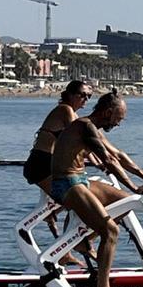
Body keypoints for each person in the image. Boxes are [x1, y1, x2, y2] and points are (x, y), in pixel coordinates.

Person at [49, 91, 143, 287]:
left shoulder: (93, 127)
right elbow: (108, 160)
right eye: (118, 118)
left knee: (124, 202)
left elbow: (117, 154)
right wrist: (134, 186)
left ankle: (83, 239)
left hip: (80, 179)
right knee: (111, 231)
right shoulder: (84, 126)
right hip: (66, 183)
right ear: (108, 112)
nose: (119, 123)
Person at [22, 80, 94, 266]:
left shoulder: (73, 114)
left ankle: (62, 243)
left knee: (69, 203)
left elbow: (81, 146)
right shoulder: (65, 110)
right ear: (70, 95)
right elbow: (79, 140)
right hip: (41, 164)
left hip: (51, 165)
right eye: (82, 95)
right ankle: (64, 251)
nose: (86, 99)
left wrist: (97, 161)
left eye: (89, 96)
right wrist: (101, 158)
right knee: (76, 203)